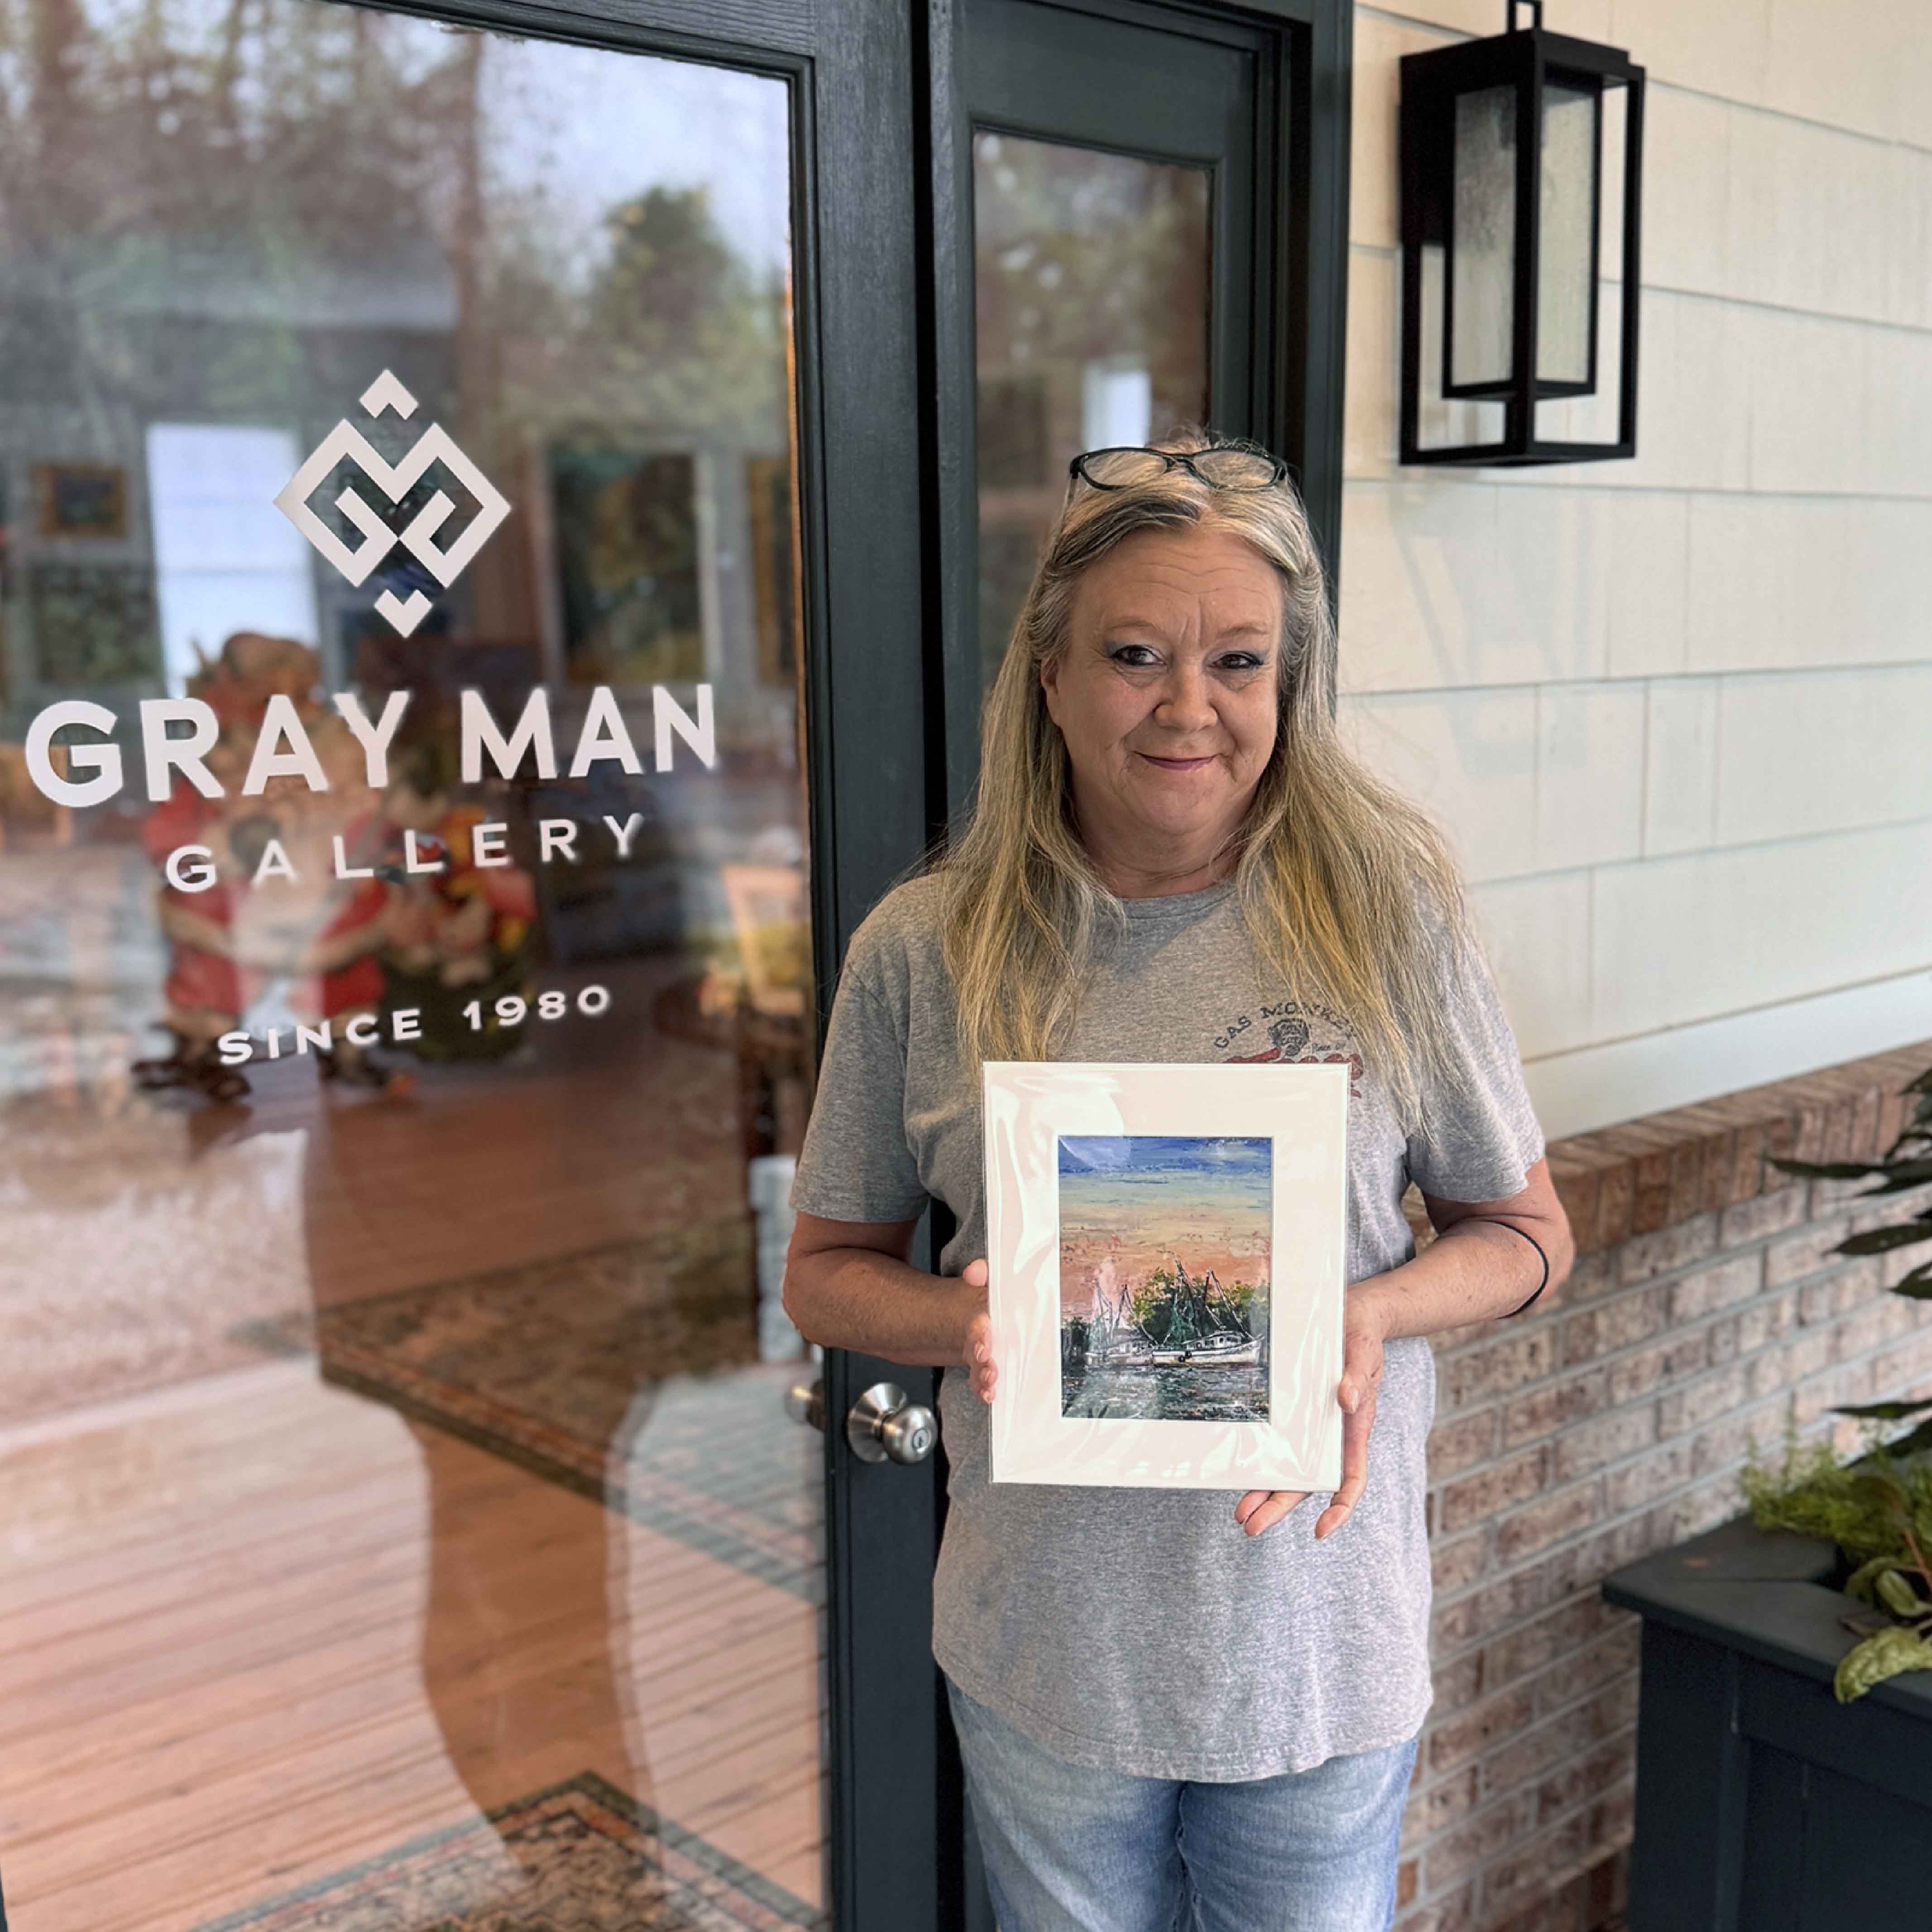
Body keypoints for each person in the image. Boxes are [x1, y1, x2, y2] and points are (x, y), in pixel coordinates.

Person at [782, 427, 1573, 1932]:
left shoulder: (1385, 913)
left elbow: (1528, 1234)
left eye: (1239, 661)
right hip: (1044, 1644)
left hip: (1313, 1647)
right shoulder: (927, 947)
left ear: (1289, 680)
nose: (1187, 706)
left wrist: (1373, 1309)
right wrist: (972, 1324)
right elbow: (822, 1269)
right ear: (1051, 672)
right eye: (1136, 653)